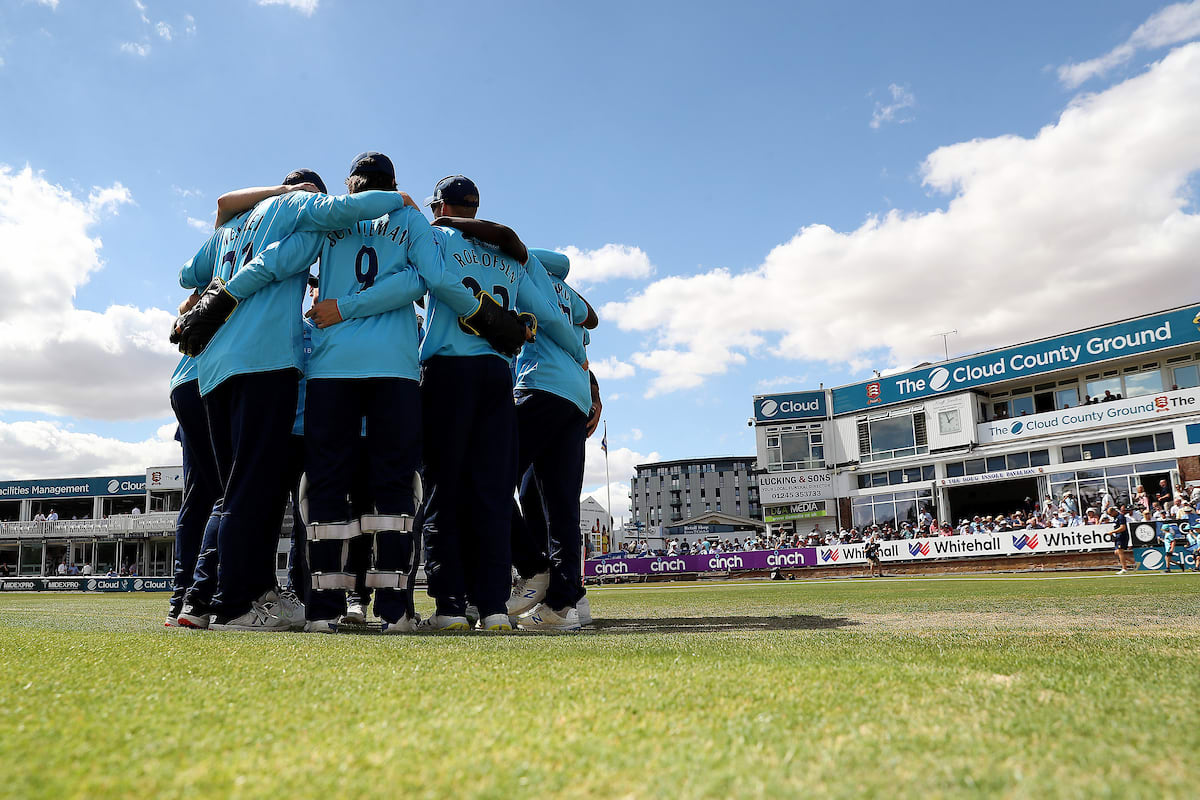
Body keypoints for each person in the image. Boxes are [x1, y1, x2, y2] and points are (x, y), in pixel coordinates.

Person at [253, 153, 494, 634]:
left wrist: (339, 307)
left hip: (331, 369)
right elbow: (426, 279)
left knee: (325, 486)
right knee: (393, 489)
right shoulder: (409, 216)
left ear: (351, 183)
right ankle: (396, 612)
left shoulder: (331, 212)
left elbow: (286, 261)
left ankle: (321, 612)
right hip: (395, 371)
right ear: (394, 183)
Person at [172, 170, 417, 632]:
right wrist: (394, 196)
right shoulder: (301, 210)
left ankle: (205, 601)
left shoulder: (234, 224)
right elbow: (345, 213)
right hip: (264, 359)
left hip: (212, 366)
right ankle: (235, 605)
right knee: (251, 491)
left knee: (230, 493)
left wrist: (215, 292)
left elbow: (189, 274)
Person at [415, 175, 587, 631]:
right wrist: (581, 359)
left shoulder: (434, 236)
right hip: (496, 377)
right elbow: (551, 315)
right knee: (493, 493)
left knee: (443, 491)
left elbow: (415, 285)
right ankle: (493, 610)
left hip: (449, 369)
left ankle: (452, 607)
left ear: (439, 207)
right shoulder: (510, 255)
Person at [506, 248, 600, 631]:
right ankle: (568, 602)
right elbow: (590, 322)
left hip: (539, 387)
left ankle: (534, 571)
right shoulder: (570, 298)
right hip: (573, 399)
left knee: (484, 480)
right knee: (559, 507)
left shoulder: (527, 282)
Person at [1110, 504, 1132, 574]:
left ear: (1114, 511)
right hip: (1118, 536)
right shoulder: (1115, 518)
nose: (1110, 515)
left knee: (1120, 551)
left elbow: (1123, 528)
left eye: (1110, 514)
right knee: (1117, 552)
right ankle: (1134, 562)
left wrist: (1112, 532)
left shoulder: (1121, 517)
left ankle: (1124, 568)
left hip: (1122, 536)